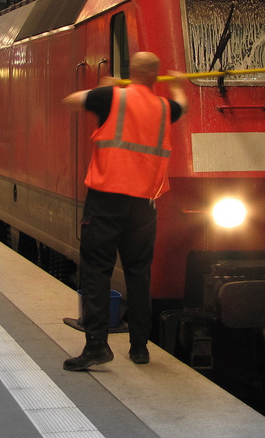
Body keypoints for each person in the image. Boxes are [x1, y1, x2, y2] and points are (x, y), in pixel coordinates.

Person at [61, 52, 188, 371]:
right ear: (155, 77)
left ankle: (97, 346)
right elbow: (181, 105)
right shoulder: (164, 108)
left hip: (106, 202)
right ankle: (140, 348)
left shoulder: (111, 97)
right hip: (144, 205)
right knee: (138, 274)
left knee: (97, 272)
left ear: (131, 72)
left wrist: (107, 86)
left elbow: (71, 100)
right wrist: (179, 85)